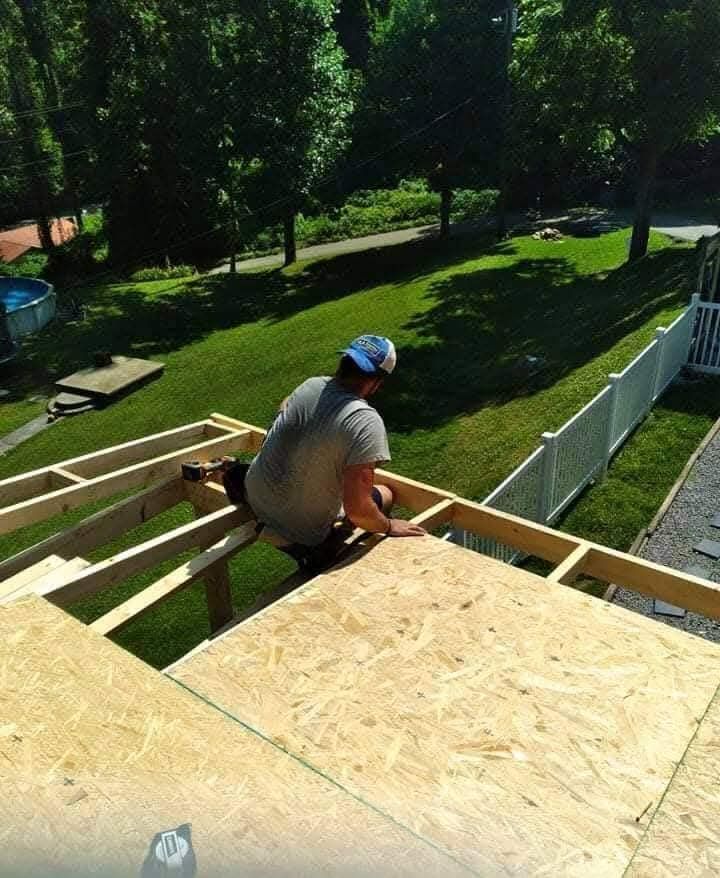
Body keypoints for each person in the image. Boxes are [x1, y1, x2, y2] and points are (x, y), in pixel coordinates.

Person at [243, 334, 426, 572]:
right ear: (377, 382)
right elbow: (359, 510)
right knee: (386, 493)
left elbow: (285, 403)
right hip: (302, 530)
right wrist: (389, 526)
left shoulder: (310, 385)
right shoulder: (365, 421)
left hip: (254, 496)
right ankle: (328, 550)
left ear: (344, 362)